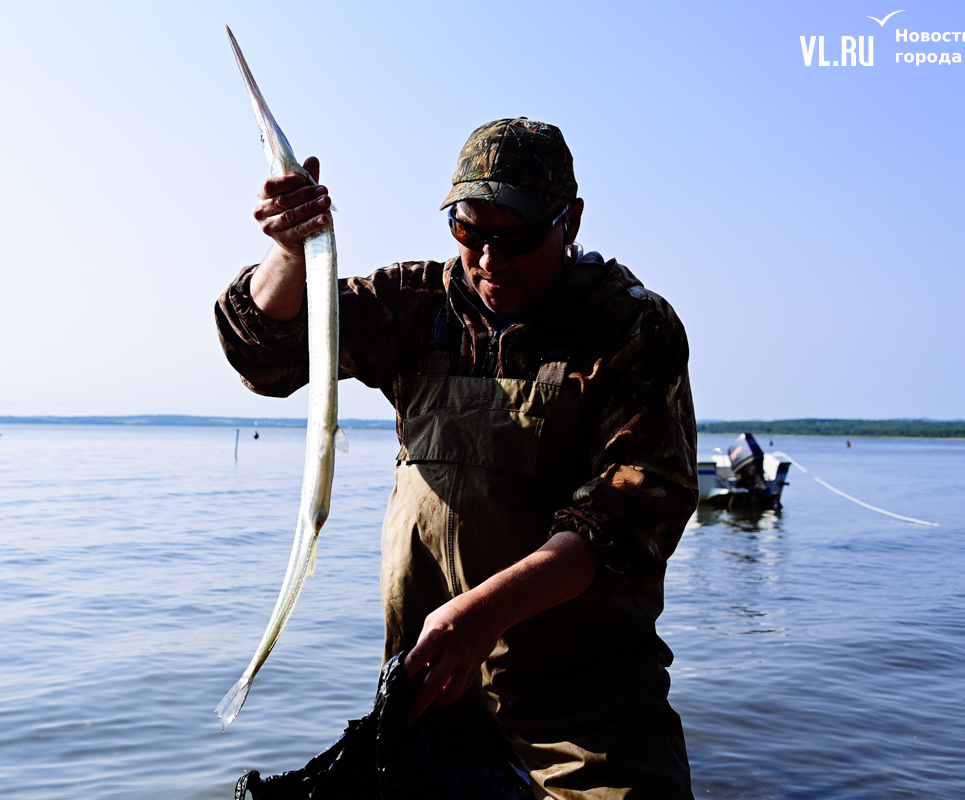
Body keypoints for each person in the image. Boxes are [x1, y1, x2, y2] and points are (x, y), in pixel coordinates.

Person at [216, 118, 697, 799]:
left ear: (571, 220)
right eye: (470, 233)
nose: (490, 260)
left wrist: (484, 613)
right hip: (434, 697)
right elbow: (266, 355)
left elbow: (630, 518)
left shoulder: (629, 328)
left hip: (588, 721)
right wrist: (293, 254)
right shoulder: (417, 306)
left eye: (518, 237)